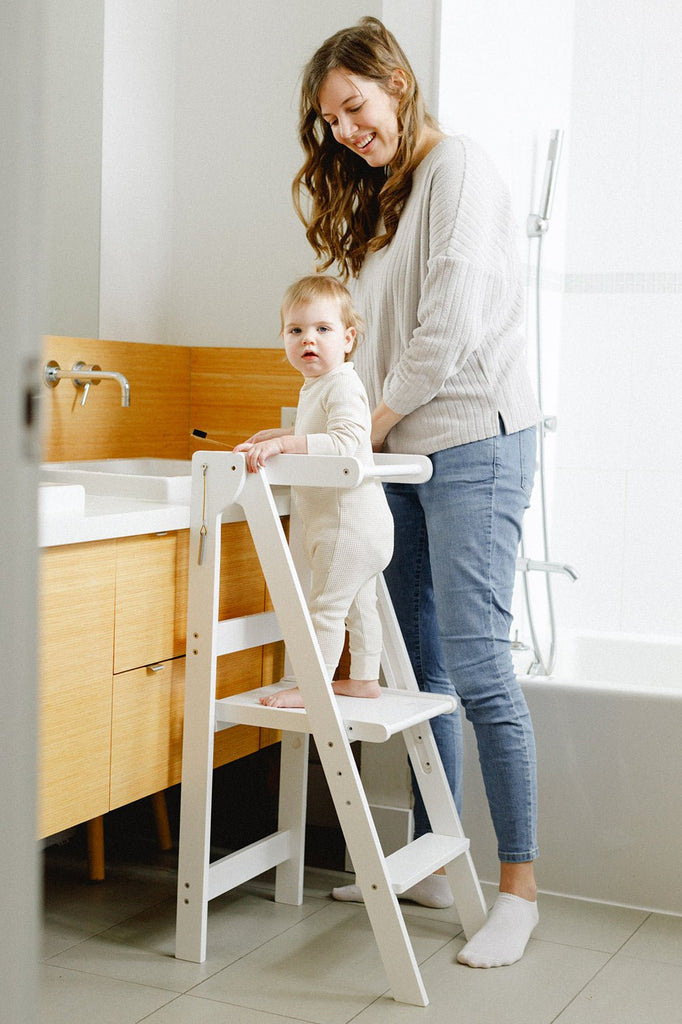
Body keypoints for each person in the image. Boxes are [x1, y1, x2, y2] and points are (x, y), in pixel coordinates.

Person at [291, 17, 541, 968]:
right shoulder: (396, 199)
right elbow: (376, 337)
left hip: (474, 442)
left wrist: (373, 427)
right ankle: (442, 861)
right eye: (334, 122)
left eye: (356, 107)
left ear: (397, 80)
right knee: (424, 671)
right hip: (406, 456)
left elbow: (450, 326)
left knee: (479, 668)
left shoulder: (461, 168)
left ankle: (517, 889)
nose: (349, 130)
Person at [234, 274, 393, 709]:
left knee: (325, 609)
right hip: (363, 528)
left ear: (348, 338)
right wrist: (280, 433)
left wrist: (285, 444)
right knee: (361, 606)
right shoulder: (320, 386)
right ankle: (362, 678)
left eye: (323, 329)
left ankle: (314, 688)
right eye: (296, 330)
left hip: (348, 529)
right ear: (283, 338)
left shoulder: (342, 384)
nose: (309, 339)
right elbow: (321, 430)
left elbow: (346, 443)